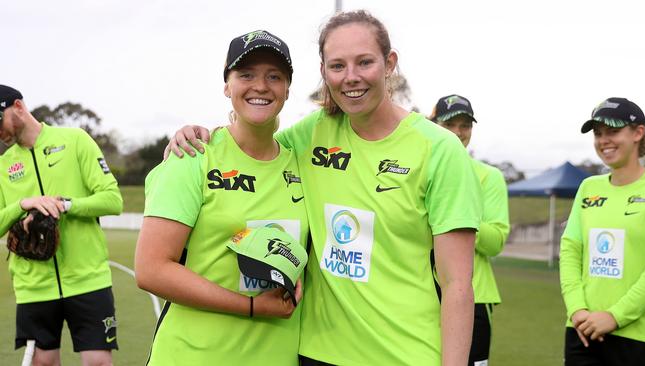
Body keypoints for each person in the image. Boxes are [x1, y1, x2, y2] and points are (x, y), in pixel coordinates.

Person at [165, 10, 483, 366]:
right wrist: (199, 136)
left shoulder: (439, 150)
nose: (351, 78)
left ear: (389, 63)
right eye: (337, 66)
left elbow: (457, 285)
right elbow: (251, 145)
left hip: (405, 354)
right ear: (323, 71)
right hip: (315, 353)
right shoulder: (313, 133)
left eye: (364, 62)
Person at [134, 30, 309, 365]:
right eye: (246, 75)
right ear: (227, 85)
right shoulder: (193, 157)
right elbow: (151, 270)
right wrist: (253, 307)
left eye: (274, 76)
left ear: (288, 88)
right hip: (193, 356)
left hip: (276, 356)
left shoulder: (303, 164)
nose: (260, 85)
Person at [0, 84, 123, 366]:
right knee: (43, 363)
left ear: (18, 107)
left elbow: (112, 199)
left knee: (98, 363)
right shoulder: (3, 165)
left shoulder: (75, 140)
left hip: (88, 279)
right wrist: (21, 205)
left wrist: (66, 205)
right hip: (33, 285)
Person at [560, 97, 645, 365]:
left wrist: (615, 316)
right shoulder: (589, 187)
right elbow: (570, 249)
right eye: (598, 134)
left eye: (613, 131)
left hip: (637, 335)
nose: (603, 140)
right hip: (582, 330)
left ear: (638, 133)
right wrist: (577, 309)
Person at [430, 94, 510, 365]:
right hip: (423, 292)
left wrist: (455, 217)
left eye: (465, 125)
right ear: (433, 125)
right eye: (449, 124)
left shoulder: (489, 176)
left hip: (475, 296)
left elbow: (495, 241)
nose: (458, 132)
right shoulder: (418, 171)